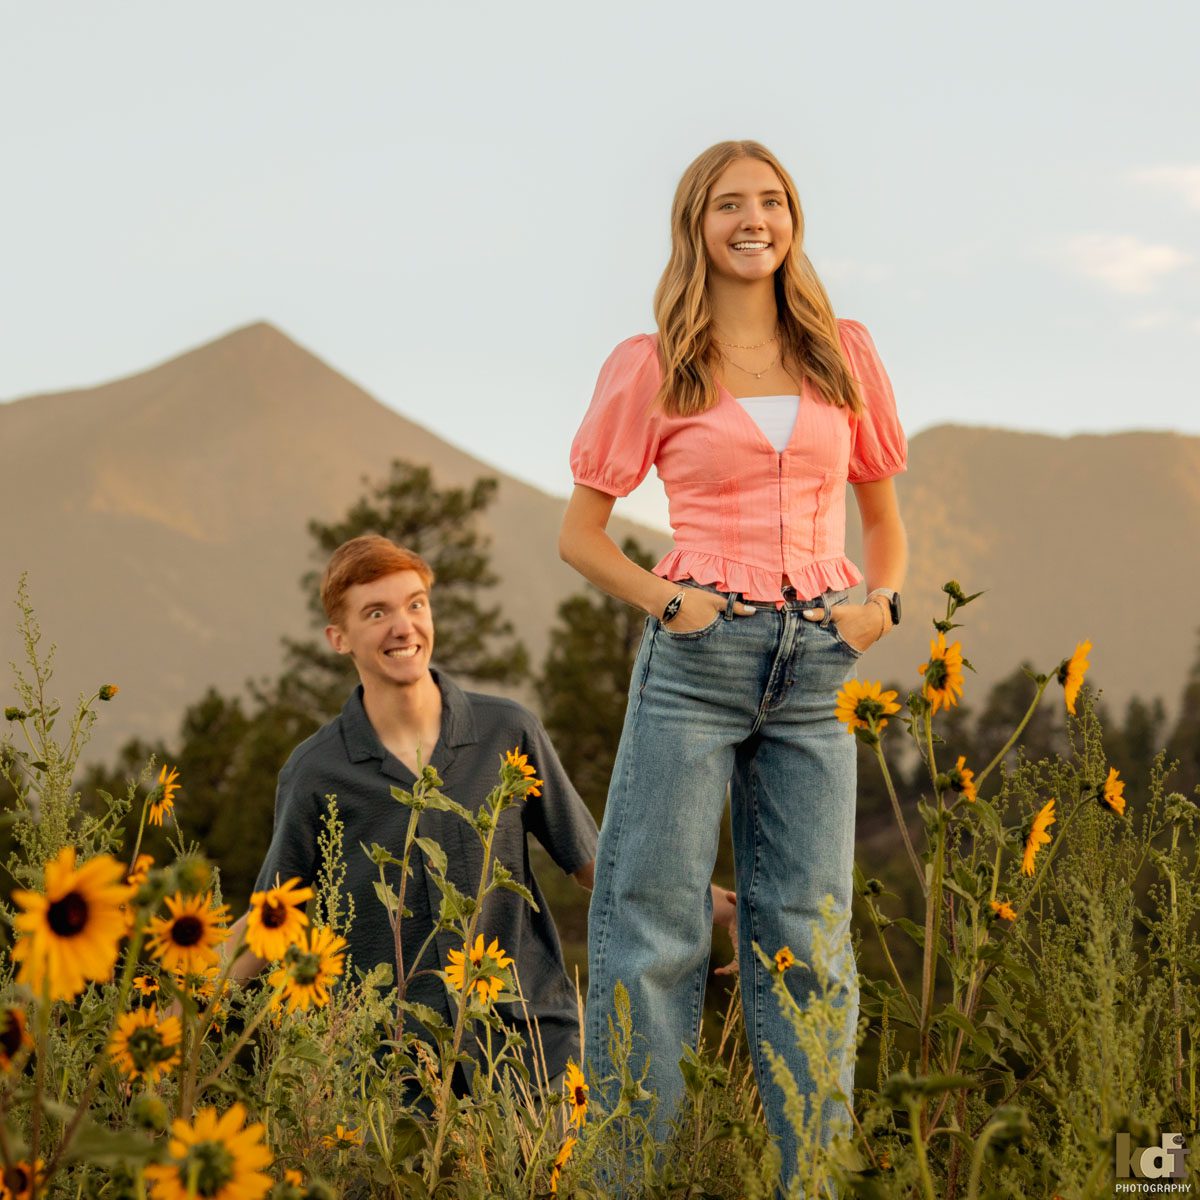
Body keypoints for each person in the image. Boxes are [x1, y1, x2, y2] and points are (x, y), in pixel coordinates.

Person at [560, 140, 908, 1187]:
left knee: (809, 935)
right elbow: (582, 535)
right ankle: (626, 1178)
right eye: (729, 205)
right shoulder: (652, 362)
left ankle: (817, 1178)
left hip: (818, 667)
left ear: (792, 221)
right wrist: (671, 601)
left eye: (771, 202)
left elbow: (882, 517)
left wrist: (878, 607)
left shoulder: (843, 351)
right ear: (696, 227)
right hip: (700, 657)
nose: (753, 219)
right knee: (654, 922)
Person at [224, 534, 602, 1087]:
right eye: (376, 612)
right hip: (392, 1080)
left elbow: (594, 864)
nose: (403, 627)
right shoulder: (315, 773)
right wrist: (175, 1017)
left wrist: (712, 905)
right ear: (339, 638)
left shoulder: (508, 731)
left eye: (415, 604)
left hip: (527, 1054)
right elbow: (270, 919)